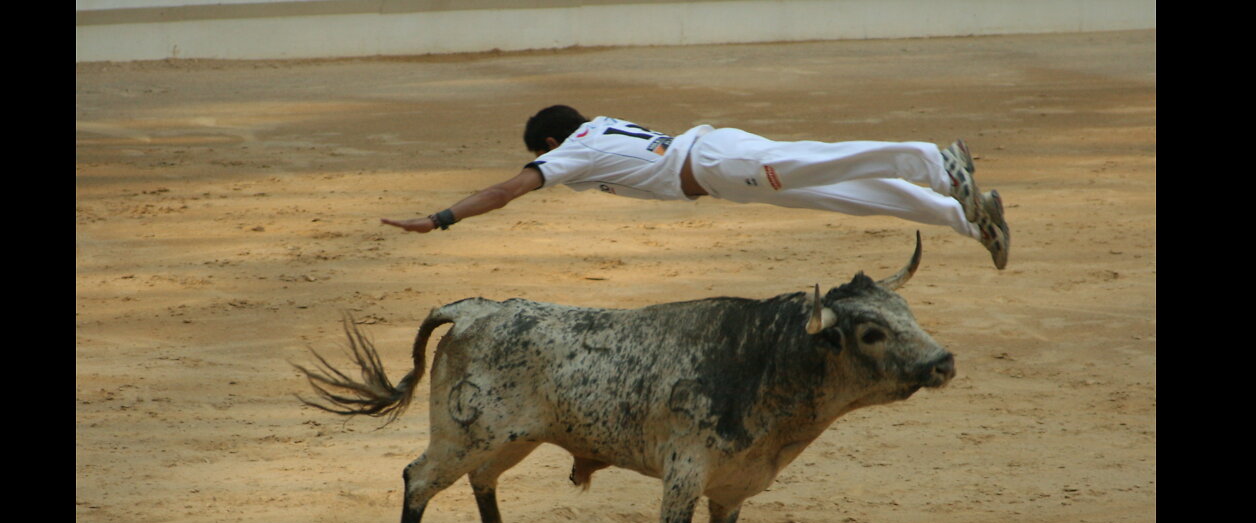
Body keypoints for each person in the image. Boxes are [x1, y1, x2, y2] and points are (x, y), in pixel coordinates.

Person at [382, 105, 1010, 269]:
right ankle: (969, 219)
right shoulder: (597, 128)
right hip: (718, 172)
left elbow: (505, 191)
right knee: (842, 192)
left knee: (824, 164)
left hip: (714, 163)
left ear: (549, 143)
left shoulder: (572, 151)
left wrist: (441, 218)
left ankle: (936, 164)